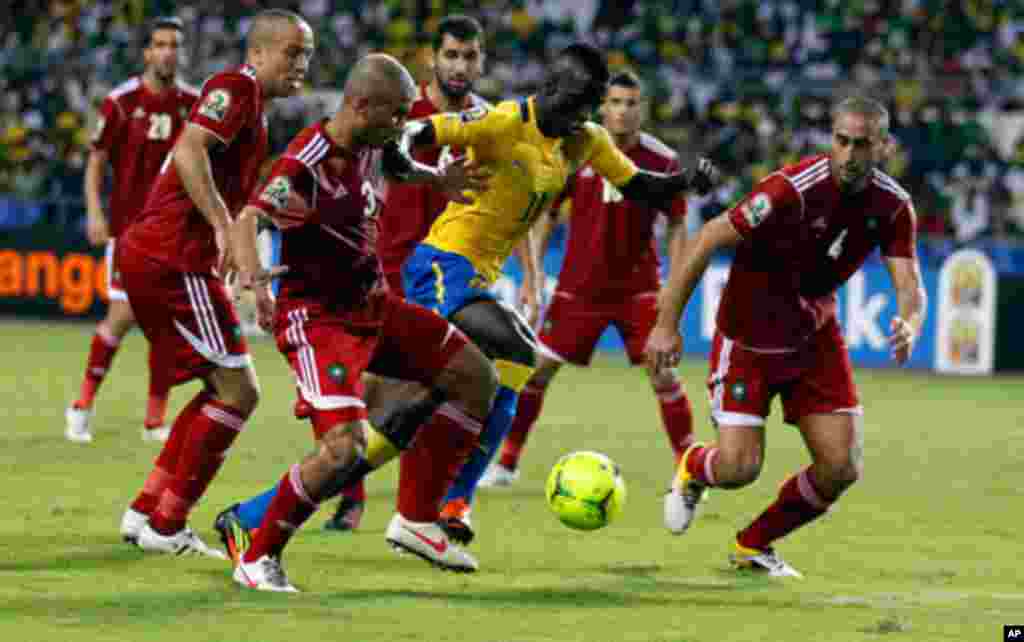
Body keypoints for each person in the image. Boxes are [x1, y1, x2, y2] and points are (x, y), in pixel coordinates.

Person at [396, 42, 717, 547]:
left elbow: (638, 187)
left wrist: (685, 181)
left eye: (594, 105)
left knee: (488, 376)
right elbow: (421, 130)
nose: (587, 116)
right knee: (444, 388)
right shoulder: (501, 122)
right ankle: (434, 502)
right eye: (582, 103)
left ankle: (451, 503)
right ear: (551, 89)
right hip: (439, 266)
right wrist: (423, 168)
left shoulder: (584, 139)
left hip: (478, 279)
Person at [222, 53, 495, 591]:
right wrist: (254, 281)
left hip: (372, 305)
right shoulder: (305, 161)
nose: (401, 126)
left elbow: (395, 161)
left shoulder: (372, 143)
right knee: (342, 449)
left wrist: (434, 178)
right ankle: (257, 555)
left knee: (474, 377)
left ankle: (416, 520)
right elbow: (250, 218)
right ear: (360, 105)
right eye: (394, 115)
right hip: (318, 319)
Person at [646, 96, 926, 578]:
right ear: (831, 139)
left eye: (862, 144)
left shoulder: (894, 205)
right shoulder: (790, 190)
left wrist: (909, 322)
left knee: (841, 466)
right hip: (748, 338)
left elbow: (910, 285)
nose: (849, 154)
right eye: (842, 141)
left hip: (813, 337)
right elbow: (710, 236)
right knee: (739, 468)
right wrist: (666, 323)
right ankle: (695, 466)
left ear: (882, 147)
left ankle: (753, 545)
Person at [115, 9, 316, 557]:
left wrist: (256, 281)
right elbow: (188, 149)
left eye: (307, 54)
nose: (301, 64)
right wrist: (222, 227)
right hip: (173, 257)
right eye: (292, 52)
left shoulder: (256, 111)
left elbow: (243, 208)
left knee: (219, 389)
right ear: (258, 53)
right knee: (240, 391)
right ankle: (167, 526)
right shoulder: (237, 87)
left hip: (168, 257)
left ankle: (146, 511)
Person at [483, 71, 694, 486]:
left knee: (663, 375)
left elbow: (676, 223)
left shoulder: (662, 160)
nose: (623, 111)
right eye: (615, 102)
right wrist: (534, 272)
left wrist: (674, 280)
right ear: (603, 107)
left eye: (631, 103)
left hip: (639, 289)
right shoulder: (576, 150)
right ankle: (506, 463)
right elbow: (545, 210)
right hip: (578, 288)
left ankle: (689, 472)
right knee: (536, 371)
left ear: (642, 108)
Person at [323, 14, 489, 533]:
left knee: (462, 381)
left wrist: (528, 274)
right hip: (389, 265)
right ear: (432, 60)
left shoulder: (490, 123)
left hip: (454, 269)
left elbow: (509, 195)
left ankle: (436, 504)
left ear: (481, 61)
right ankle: (350, 494)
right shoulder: (400, 111)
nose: (460, 66)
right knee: (375, 389)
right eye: (451, 55)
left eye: (469, 56)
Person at [65, 17, 198, 444]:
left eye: (174, 45)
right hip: (130, 231)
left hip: (174, 234)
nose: (167, 53)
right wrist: (94, 211)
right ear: (146, 52)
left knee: (165, 327)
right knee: (121, 318)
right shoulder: (121, 102)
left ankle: (155, 420)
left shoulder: (193, 104)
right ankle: (80, 407)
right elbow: (97, 160)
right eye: (159, 45)